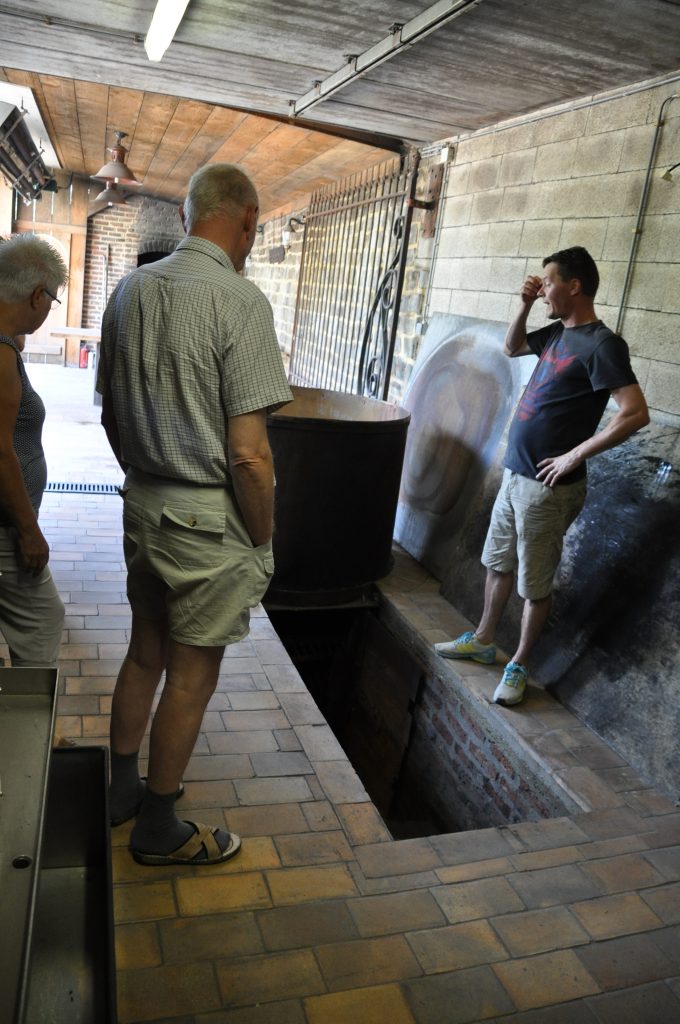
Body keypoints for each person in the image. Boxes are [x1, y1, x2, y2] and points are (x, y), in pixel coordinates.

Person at [97, 163, 292, 866]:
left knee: (145, 651)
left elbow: (112, 414)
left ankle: (119, 791)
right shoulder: (240, 302)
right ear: (247, 220)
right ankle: (157, 828)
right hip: (208, 521)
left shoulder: (129, 291)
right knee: (191, 673)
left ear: (186, 218)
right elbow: (249, 456)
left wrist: (146, 476)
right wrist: (262, 537)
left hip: (143, 502)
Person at [435, 246, 649, 706]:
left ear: (575, 286)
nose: (542, 286)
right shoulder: (556, 333)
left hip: (548, 488)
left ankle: (519, 665)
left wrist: (574, 456)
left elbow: (634, 413)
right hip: (516, 474)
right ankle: (486, 638)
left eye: (549, 282)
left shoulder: (602, 344)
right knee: (497, 562)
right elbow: (512, 347)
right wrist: (525, 304)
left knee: (534, 584)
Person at [0, 234, 67, 667]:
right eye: (52, 301)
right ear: (38, 295)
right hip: (4, 526)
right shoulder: (1, 353)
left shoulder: (7, 343)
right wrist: (28, 529)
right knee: (43, 618)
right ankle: (27, 730)